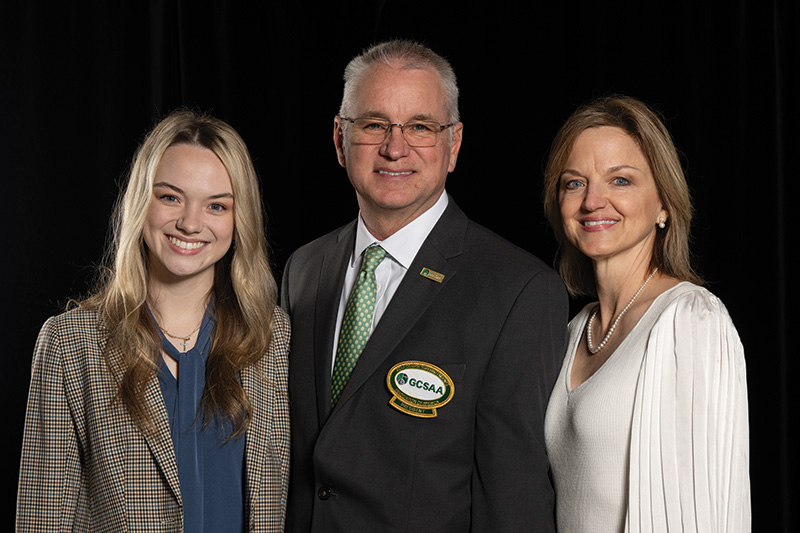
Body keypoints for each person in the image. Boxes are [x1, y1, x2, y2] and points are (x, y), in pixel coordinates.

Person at [280, 39, 568, 532]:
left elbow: (513, 500)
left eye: (420, 127)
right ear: (339, 138)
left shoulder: (517, 290)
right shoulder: (303, 269)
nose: (396, 147)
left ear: (453, 144)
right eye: (374, 124)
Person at [16, 109, 290, 532]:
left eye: (216, 205)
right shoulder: (70, 344)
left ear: (240, 223)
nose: (190, 222)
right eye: (170, 197)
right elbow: (43, 518)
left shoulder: (275, 338)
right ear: (141, 202)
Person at [542, 95, 750, 532]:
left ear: (663, 205)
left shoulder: (690, 320)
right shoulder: (571, 331)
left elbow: (702, 512)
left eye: (620, 181)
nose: (593, 200)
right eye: (574, 182)